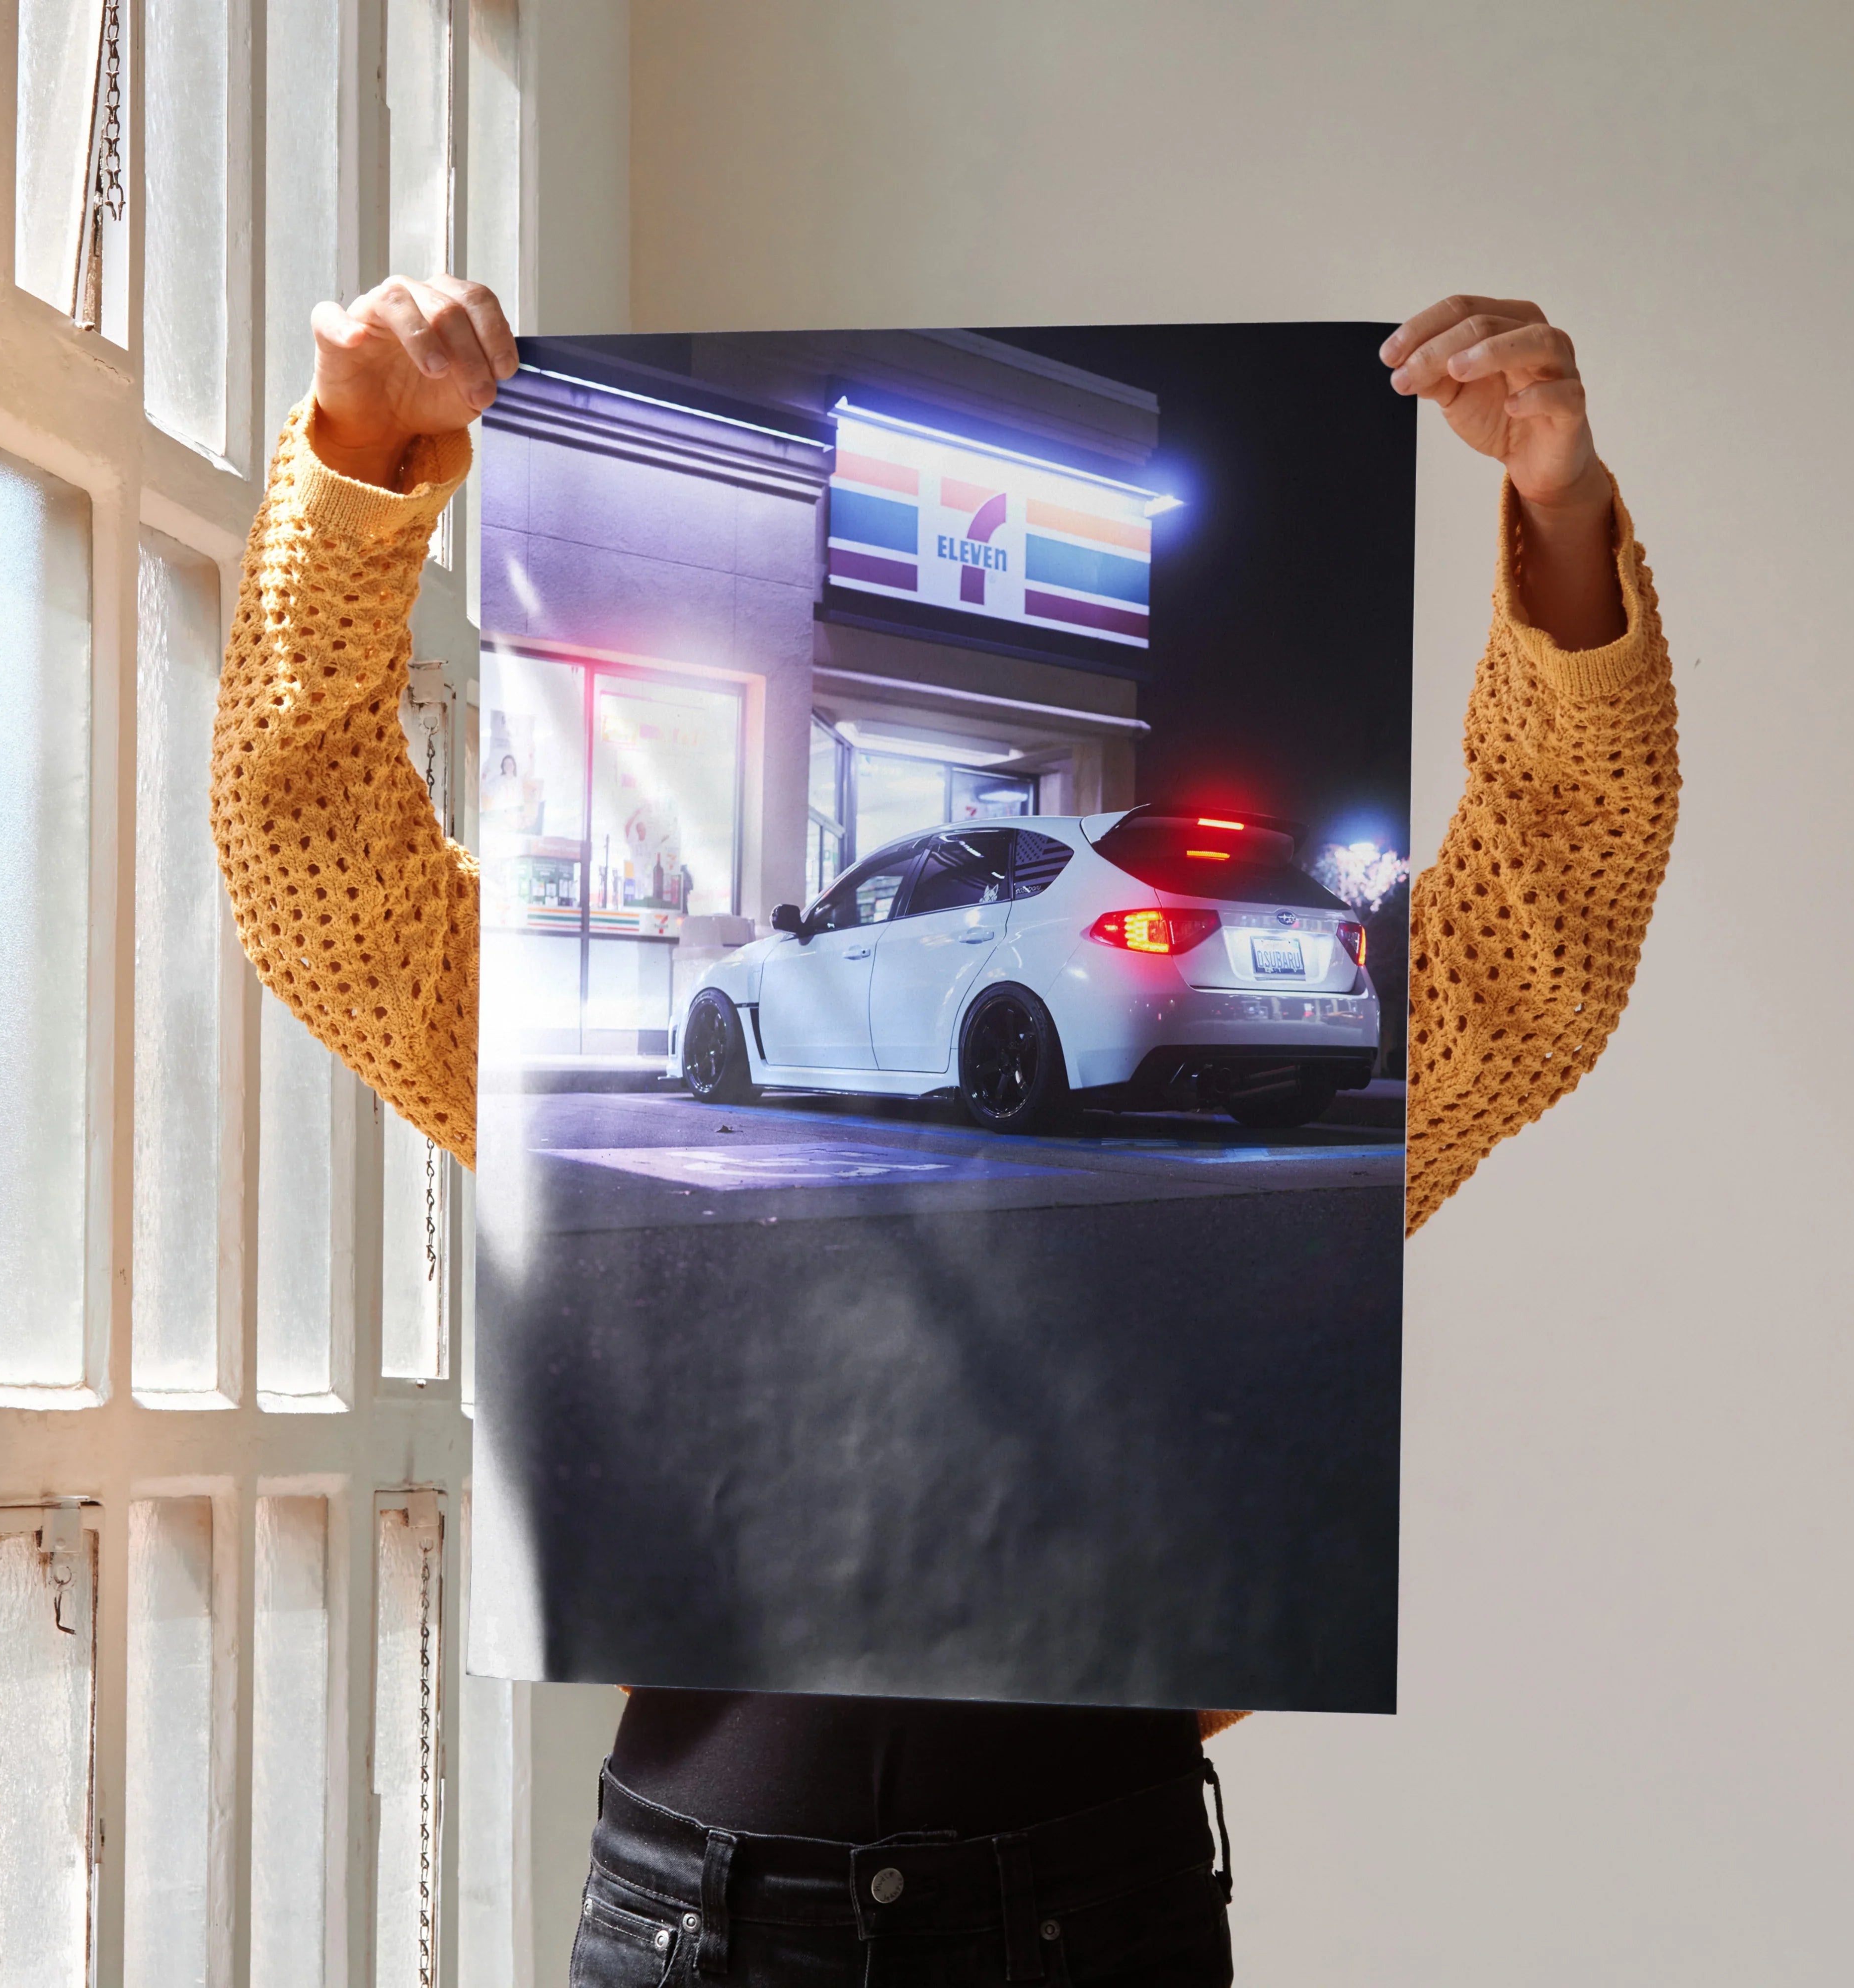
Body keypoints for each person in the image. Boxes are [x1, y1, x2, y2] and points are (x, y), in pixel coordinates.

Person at [211, 277, 1678, 1986]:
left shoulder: (1266, 1155)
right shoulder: (595, 1081)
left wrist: (1562, 512)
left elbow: (1544, 934)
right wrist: (357, 459)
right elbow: (312, 865)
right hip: (709, 1914)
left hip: (1083, 1902)